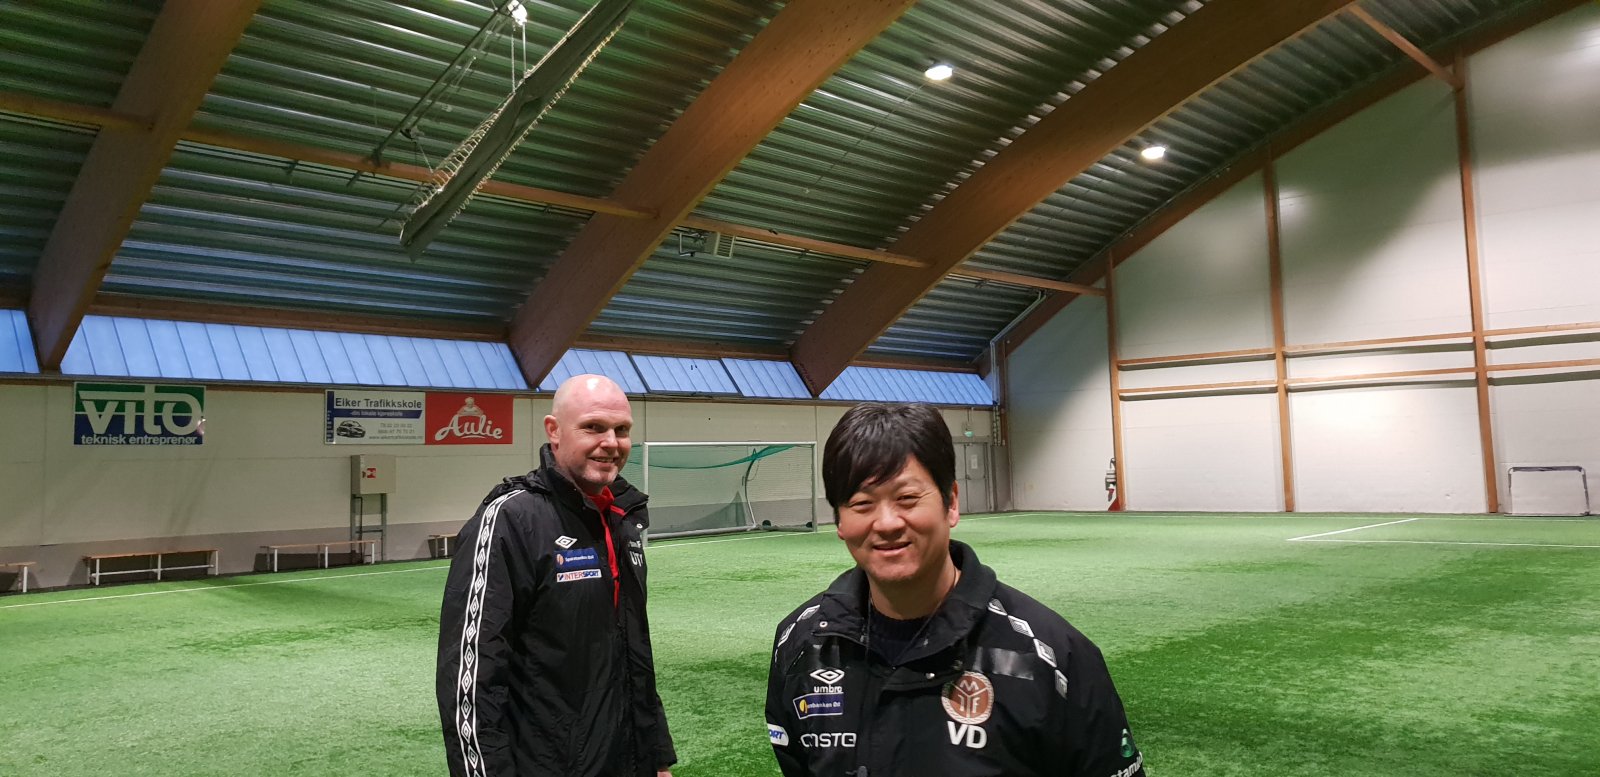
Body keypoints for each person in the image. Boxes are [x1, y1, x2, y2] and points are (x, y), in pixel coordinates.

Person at [765, 403, 1145, 777]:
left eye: (907, 498)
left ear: (951, 503)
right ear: (840, 522)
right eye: (862, 504)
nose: (886, 523)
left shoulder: (1054, 656)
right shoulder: (800, 645)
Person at [437, 374, 675, 777]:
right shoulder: (511, 520)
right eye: (593, 427)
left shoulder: (621, 519)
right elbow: (471, 680)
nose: (611, 443)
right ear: (554, 431)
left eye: (622, 430)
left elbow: (633, 656)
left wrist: (656, 757)